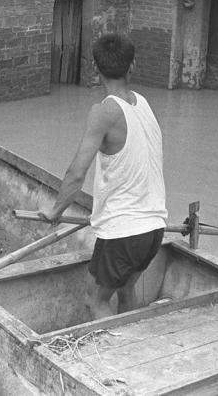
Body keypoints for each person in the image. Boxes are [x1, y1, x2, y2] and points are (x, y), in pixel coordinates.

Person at [42, 33, 167, 319]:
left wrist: (55, 212)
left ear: (95, 69)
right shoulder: (143, 103)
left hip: (124, 231)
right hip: (154, 228)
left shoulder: (103, 112)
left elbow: (76, 173)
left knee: (95, 301)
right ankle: (129, 343)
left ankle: (112, 361)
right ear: (132, 65)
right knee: (125, 290)